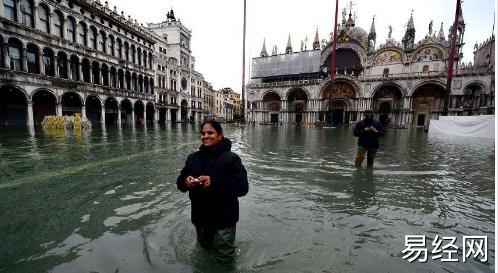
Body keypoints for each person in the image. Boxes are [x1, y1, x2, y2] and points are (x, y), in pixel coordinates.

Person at [177, 120, 248, 263]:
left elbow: (242, 187)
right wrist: (185, 181)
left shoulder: (232, 159)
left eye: (210, 133)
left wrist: (214, 182)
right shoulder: (193, 158)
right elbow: (180, 182)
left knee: (224, 258)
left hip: (224, 220)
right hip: (200, 218)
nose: (205, 136)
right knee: (203, 252)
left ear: (220, 135)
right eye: (203, 133)